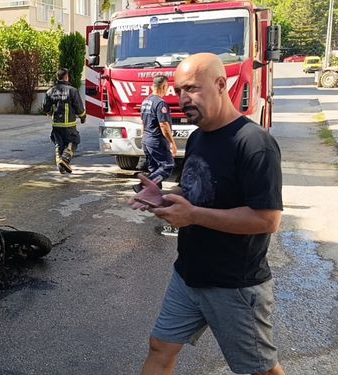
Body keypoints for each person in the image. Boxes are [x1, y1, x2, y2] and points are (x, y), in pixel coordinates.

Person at [130, 53, 285, 375]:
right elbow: (199, 193)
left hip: (234, 285)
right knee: (160, 346)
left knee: (260, 370)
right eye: (178, 91)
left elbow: (267, 219)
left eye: (192, 89)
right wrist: (165, 198)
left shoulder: (254, 143)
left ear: (220, 84)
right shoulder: (199, 137)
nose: (183, 99)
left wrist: (194, 216)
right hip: (188, 274)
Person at [134, 75, 178, 192]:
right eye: (167, 87)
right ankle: (142, 186)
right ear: (163, 87)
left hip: (147, 139)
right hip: (156, 140)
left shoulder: (146, 101)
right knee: (167, 166)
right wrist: (172, 143)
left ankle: (153, 195)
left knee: (154, 168)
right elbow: (164, 125)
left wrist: (144, 137)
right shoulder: (160, 103)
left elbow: (143, 121)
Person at [42, 68, 86, 174]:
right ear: (66, 77)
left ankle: (61, 166)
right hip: (69, 125)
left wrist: (49, 112)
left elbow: (45, 108)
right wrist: (83, 117)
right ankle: (65, 159)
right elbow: (79, 108)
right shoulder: (72, 91)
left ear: (58, 77)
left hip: (56, 125)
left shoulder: (50, 91)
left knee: (59, 144)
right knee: (73, 141)